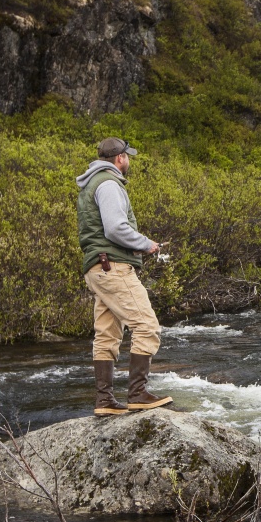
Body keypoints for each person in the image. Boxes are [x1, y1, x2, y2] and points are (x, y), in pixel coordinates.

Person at [75, 137, 172, 416]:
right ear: (120, 158)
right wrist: (146, 244)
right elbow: (116, 228)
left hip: (98, 269)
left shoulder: (91, 184)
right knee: (146, 326)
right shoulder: (108, 183)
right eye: (127, 156)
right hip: (113, 267)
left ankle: (104, 401)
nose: (129, 160)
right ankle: (138, 394)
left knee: (106, 334)